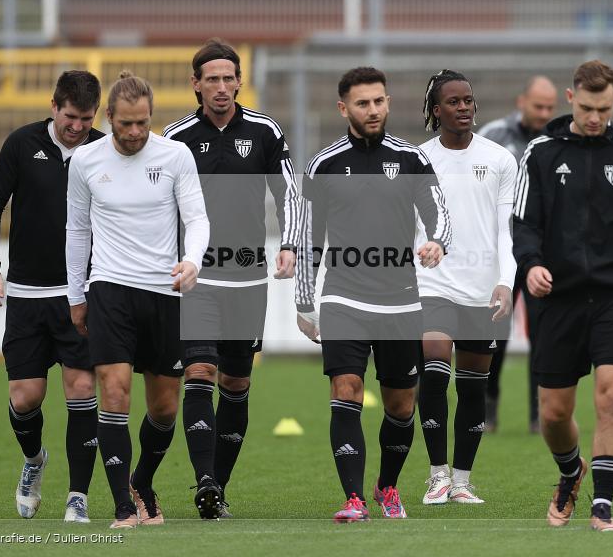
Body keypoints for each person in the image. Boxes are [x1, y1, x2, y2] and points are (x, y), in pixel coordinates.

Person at [295, 66, 452, 522]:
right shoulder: (323, 165)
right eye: (363, 103)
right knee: (346, 389)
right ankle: (353, 499)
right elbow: (309, 239)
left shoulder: (410, 160)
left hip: (400, 300)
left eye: (379, 101)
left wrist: (437, 241)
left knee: (401, 405)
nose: (373, 110)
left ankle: (386, 487)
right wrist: (305, 303)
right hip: (343, 298)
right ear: (344, 109)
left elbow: (440, 213)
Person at [512, 60, 613, 532]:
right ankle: (570, 471)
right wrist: (532, 264)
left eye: (605, 108)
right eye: (588, 107)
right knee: (554, 413)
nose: (596, 117)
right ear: (570, 97)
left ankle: (603, 505)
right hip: (559, 298)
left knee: (612, 395)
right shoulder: (540, 153)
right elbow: (523, 222)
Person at [65, 71, 210, 529]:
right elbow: (77, 231)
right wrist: (76, 295)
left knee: (165, 409)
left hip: (164, 291)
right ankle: (123, 508)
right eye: (125, 124)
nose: (134, 133)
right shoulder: (86, 161)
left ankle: (141, 480)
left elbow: (197, 217)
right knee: (114, 392)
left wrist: (191, 261)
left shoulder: (175, 156)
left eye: (142, 123)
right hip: (109, 289)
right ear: (108, 118)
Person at [163, 39, 300, 518]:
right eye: (211, 79)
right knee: (198, 372)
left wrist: (289, 244)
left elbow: (291, 196)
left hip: (246, 276)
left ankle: (216, 487)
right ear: (196, 84)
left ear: (240, 81)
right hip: (196, 276)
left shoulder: (263, 131)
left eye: (229, 78)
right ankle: (204, 478)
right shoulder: (176, 137)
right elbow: (160, 206)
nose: (221, 88)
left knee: (237, 384)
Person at [0, 70, 103, 523]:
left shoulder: (104, 149)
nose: (77, 127)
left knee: (82, 388)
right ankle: (33, 461)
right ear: (54, 107)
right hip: (28, 294)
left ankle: (78, 496)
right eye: (70, 117)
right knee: (26, 396)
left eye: (86, 119)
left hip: (82, 293)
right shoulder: (21, 143)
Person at [415, 70, 517, 506]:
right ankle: (436, 474)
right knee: (435, 369)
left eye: (468, 100)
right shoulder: (417, 159)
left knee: (474, 385)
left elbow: (506, 232)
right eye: (453, 102)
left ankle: (461, 480)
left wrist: (505, 281)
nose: (463, 108)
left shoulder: (500, 160)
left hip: (481, 287)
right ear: (436, 110)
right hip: (431, 283)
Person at [478, 75, 558, 434]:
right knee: (495, 334)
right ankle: (488, 408)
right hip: (499, 250)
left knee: (545, 334)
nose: (544, 113)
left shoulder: (560, 138)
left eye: (550, 107)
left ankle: (538, 415)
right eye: (538, 105)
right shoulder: (494, 136)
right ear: (521, 100)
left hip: (544, 251)